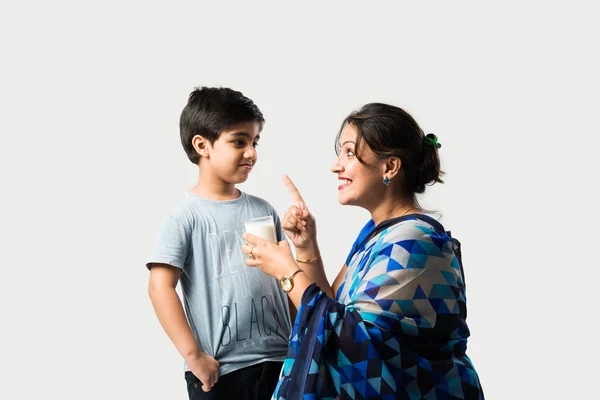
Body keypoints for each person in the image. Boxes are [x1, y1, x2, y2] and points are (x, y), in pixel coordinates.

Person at [242, 103, 484, 399]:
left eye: (349, 153)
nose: (336, 166)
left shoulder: (415, 241)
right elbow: (330, 317)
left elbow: (353, 345)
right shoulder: (377, 233)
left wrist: (286, 272)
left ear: (390, 167)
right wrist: (306, 245)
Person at [146, 86, 291, 400]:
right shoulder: (184, 217)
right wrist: (194, 357)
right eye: (239, 141)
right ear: (203, 145)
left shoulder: (264, 210)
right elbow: (160, 286)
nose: (251, 152)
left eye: (254, 142)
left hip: (281, 363)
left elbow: (283, 279)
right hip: (222, 372)